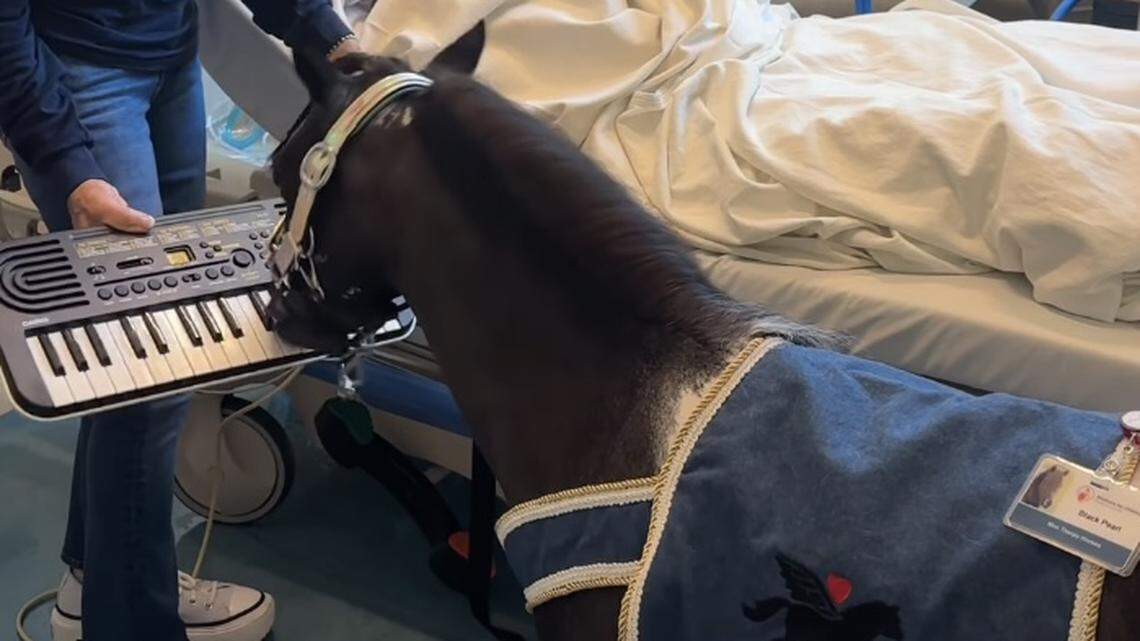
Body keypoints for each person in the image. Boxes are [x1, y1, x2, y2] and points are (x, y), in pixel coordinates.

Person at [0, 2, 360, 640]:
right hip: (79, 72)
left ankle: (99, 582)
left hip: (170, 56)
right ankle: (132, 621)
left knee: (137, 362)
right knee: (155, 367)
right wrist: (66, 163)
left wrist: (332, 41)